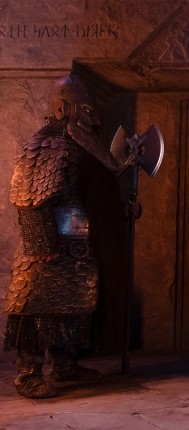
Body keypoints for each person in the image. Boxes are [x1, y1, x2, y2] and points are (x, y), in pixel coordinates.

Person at [3, 74, 120, 398]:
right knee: (37, 307)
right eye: (82, 107)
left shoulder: (79, 143)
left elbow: (90, 191)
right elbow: (28, 196)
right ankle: (28, 374)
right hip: (49, 243)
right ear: (63, 107)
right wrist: (41, 241)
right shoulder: (47, 144)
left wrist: (120, 211)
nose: (89, 114)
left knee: (70, 306)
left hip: (77, 241)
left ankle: (65, 366)